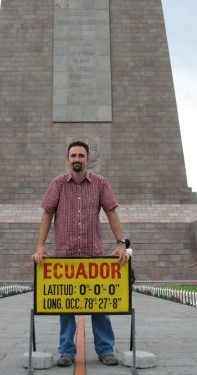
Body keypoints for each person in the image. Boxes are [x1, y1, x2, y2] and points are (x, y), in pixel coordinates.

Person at [32, 140, 129, 367]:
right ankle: (66, 350)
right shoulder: (57, 184)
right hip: (65, 255)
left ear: (88, 159)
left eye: (81, 156)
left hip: (92, 255)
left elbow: (112, 212)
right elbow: (47, 214)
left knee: (100, 303)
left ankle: (105, 350)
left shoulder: (100, 183)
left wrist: (120, 243)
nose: (77, 159)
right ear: (67, 159)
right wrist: (40, 246)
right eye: (73, 156)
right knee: (65, 304)